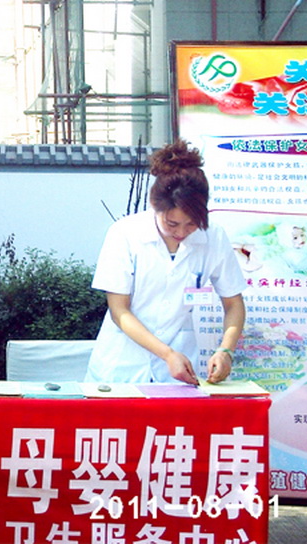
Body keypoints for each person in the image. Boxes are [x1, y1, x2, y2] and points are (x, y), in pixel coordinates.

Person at [85, 139, 246, 385]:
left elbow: (234, 303)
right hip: (121, 366)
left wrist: (226, 351)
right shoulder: (125, 234)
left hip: (179, 369)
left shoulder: (214, 237)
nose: (181, 232)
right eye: (172, 224)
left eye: (192, 224)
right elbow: (119, 311)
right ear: (155, 206)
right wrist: (167, 354)